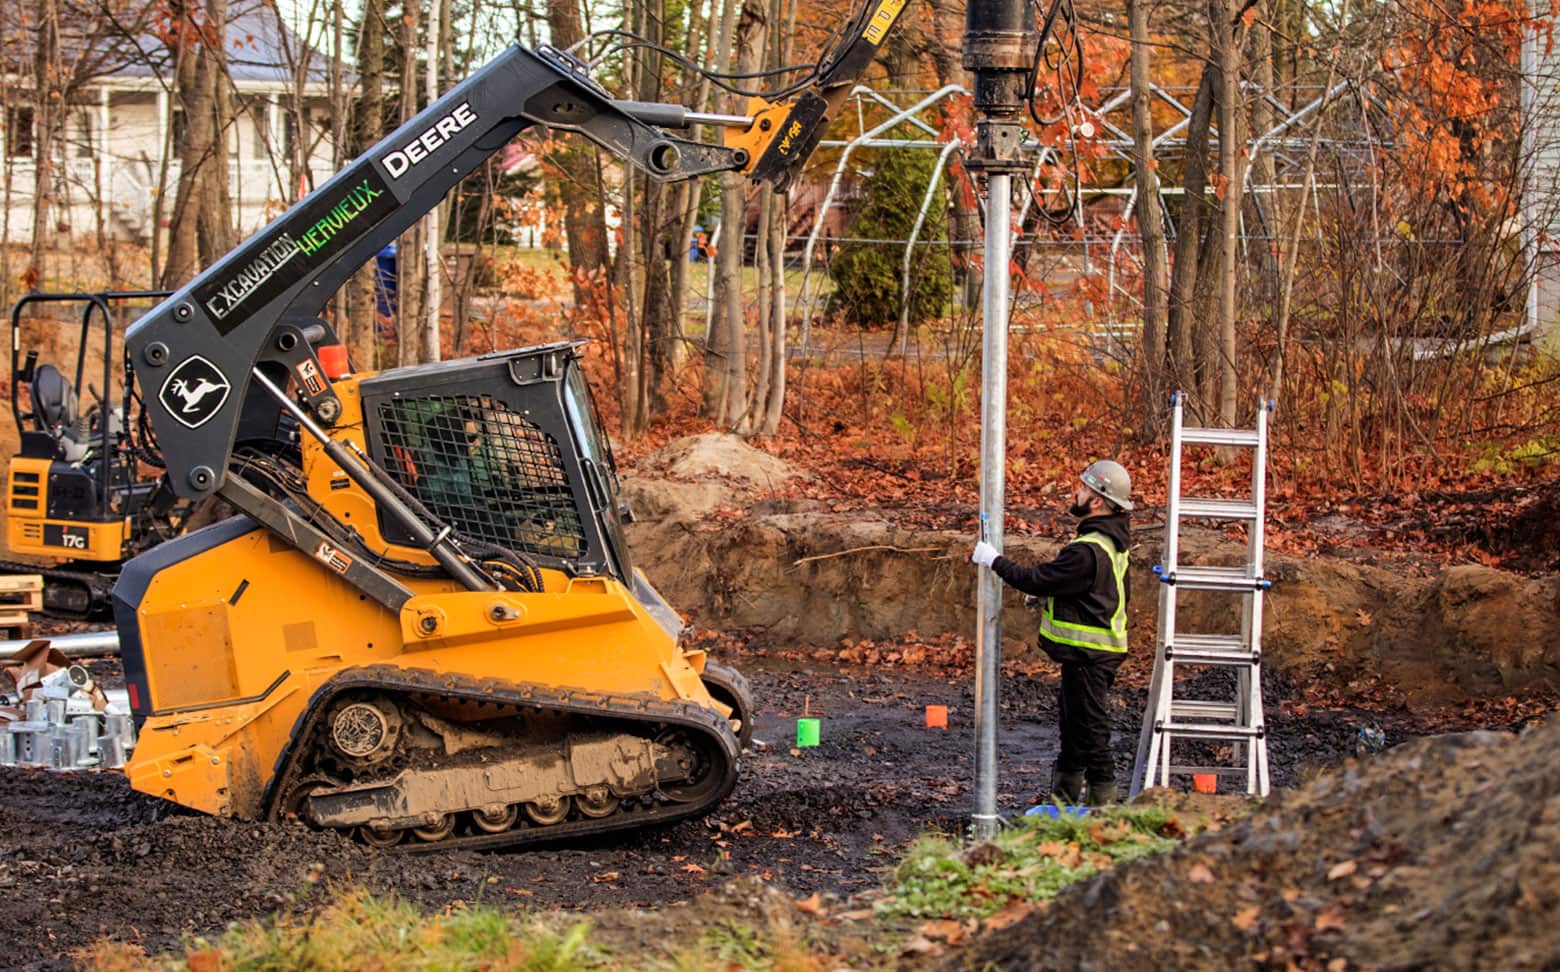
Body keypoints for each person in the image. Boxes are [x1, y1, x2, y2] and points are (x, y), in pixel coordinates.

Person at [971, 460, 1133, 805]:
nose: (1077, 492)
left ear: (1098, 500)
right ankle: (1063, 803)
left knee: (1090, 731)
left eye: (1084, 488)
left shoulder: (1088, 551)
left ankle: (1103, 810)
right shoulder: (1107, 542)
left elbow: (1036, 578)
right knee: (1074, 731)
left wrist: (993, 560)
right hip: (1088, 655)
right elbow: (1093, 592)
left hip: (1091, 655)